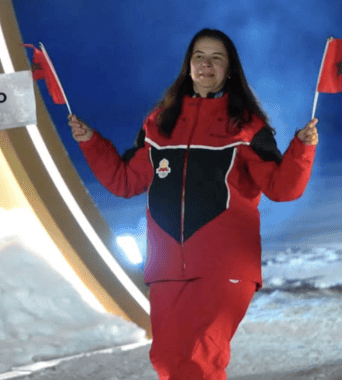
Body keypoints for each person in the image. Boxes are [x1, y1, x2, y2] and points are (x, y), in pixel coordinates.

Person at [68, 28, 318, 380]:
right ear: (188, 65)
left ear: (230, 69)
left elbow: (283, 188)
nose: (206, 64)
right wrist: (92, 142)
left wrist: (302, 148)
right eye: (199, 56)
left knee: (197, 359)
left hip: (224, 265)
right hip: (167, 266)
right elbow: (125, 181)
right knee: (167, 358)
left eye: (217, 58)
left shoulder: (246, 126)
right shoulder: (159, 123)